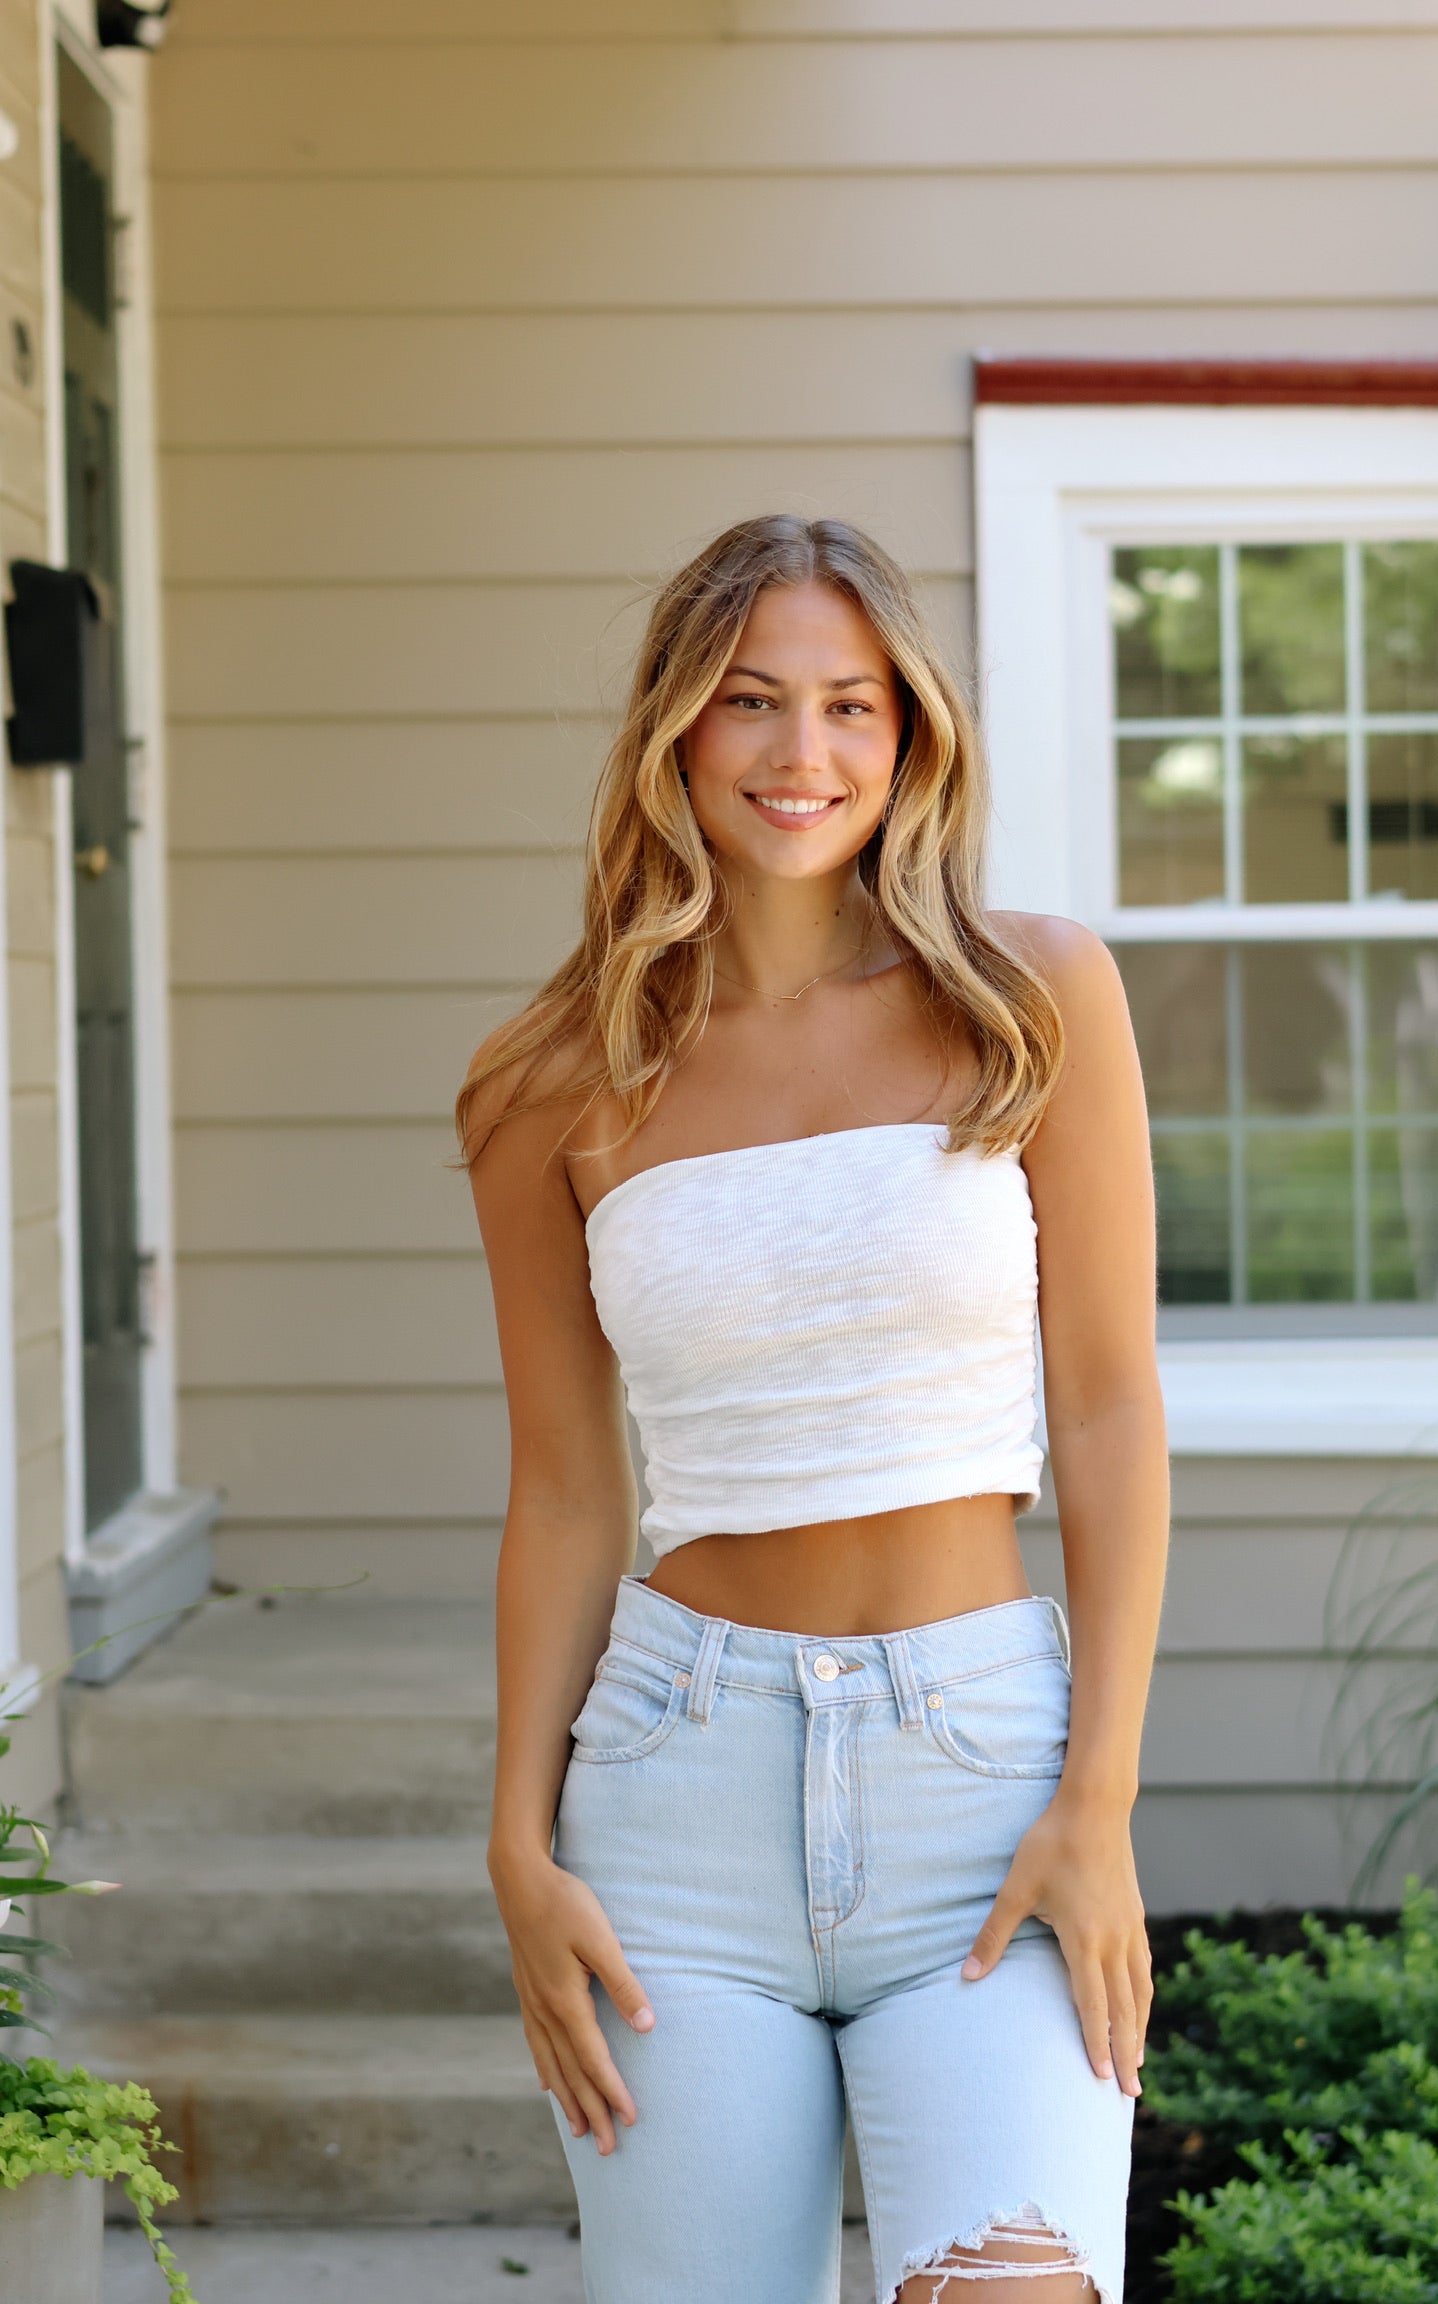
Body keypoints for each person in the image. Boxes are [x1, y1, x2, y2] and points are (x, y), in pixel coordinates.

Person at [458, 515, 1168, 2304]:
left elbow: (1104, 1411)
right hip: (674, 1804)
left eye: (854, 707)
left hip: (985, 1782)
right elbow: (562, 1491)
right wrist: (517, 1846)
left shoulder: (1031, 1001)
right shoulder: (550, 1079)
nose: (805, 756)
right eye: (754, 702)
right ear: (677, 731)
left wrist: (1099, 1799)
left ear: (911, 737)